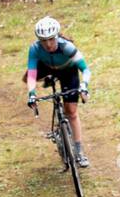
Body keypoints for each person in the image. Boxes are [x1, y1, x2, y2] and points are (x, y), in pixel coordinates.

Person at [25, 16, 91, 167]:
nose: (48, 44)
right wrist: (31, 94)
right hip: (48, 69)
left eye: (51, 39)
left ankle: (79, 152)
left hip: (69, 73)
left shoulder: (66, 46)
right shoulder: (35, 49)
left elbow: (85, 69)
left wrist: (84, 85)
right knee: (26, 78)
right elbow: (32, 73)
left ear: (57, 36)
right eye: (43, 40)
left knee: (71, 112)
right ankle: (49, 80)